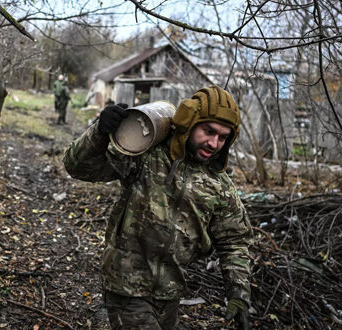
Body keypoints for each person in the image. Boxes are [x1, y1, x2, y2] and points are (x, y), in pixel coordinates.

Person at [63, 85, 253, 329]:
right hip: (127, 285)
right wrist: (99, 133)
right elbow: (77, 167)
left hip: (171, 292)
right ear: (190, 122)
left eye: (223, 137)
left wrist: (239, 293)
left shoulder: (219, 184)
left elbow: (234, 241)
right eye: (208, 131)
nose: (214, 142)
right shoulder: (146, 155)